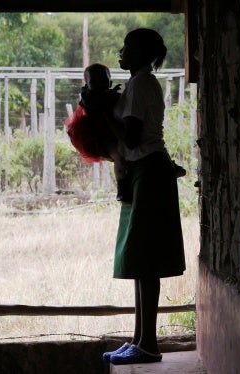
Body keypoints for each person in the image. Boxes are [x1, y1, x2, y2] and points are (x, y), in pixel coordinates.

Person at [102, 28, 186, 365]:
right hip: (142, 173)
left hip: (149, 171)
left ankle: (149, 344)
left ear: (140, 53)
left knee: (146, 259)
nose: (121, 51)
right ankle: (139, 339)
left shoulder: (141, 84)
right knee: (138, 258)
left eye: (127, 47)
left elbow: (133, 138)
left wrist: (105, 115)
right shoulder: (139, 82)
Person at [65, 63, 129, 201]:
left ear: (110, 82)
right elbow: (97, 104)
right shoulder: (88, 97)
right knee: (119, 156)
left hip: (111, 132)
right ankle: (122, 187)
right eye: (94, 81)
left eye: (104, 80)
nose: (100, 84)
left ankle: (124, 183)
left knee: (122, 155)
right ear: (87, 84)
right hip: (98, 136)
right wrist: (111, 95)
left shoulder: (108, 95)